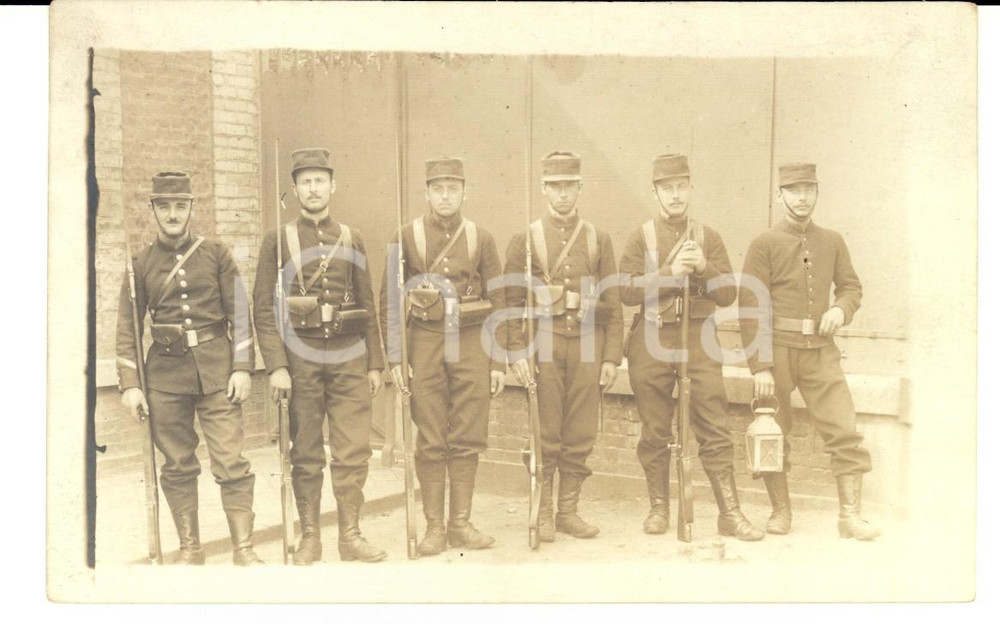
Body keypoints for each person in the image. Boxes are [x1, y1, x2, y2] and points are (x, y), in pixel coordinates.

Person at [116, 172, 263, 565]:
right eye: (164, 206)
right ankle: (190, 548)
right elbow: (127, 326)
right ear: (153, 210)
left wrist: (242, 367)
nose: (173, 214)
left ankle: (243, 549)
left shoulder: (215, 253)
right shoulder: (140, 264)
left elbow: (240, 313)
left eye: (180, 206)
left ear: (192, 208)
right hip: (164, 380)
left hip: (218, 375)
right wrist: (131, 384)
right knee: (178, 464)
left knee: (231, 461)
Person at [619, 154, 764, 541]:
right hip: (652, 338)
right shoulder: (641, 237)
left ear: (691, 189)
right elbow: (625, 291)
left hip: (699, 339)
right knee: (655, 428)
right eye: (667, 188)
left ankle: (729, 513)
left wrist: (703, 268)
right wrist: (670, 273)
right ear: (655, 192)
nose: (675, 195)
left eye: (681, 187)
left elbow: (728, 294)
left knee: (714, 425)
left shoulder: (708, 238)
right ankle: (659, 507)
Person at [253, 148, 387, 564]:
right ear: (295, 189)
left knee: (353, 450)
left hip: (349, 356)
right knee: (306, 451)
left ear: (333, 186)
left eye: (320, 181)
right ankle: (310, 536)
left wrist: (375, 362)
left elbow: (367, 300)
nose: (313, 189)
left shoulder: (351, 237)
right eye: (305, 182)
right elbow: (262, 308)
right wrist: (276, 365)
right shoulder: (277, 240)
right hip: (300, 360)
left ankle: (350, 535)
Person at [738, 162, 879, 540]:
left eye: (809, 190)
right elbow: (750, 304)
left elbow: (851, 287)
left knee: (844, 429)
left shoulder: (832, 241)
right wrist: (760, 366)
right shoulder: (764, 244)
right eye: (794, 190)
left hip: (820, 350)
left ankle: (850, 516)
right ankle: (780, 510)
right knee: (772, 431)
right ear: (780, 194)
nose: (802, 198)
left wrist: (840, 310)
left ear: (816, 193)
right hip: (776, 352)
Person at [380, 157, 506, 557]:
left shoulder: (481, 238)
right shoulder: (406, 236)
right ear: (427, 193)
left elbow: (500, 300)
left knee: (467, 433)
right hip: (426, 341)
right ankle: (435, 527)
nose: (445, 196)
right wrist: (396, 358)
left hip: (471, 341)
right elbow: (390, 301)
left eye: (453, 188)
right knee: (431, 435)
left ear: (465, 192)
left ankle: (460, 524)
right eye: (438, 189)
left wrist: (498, 361)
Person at [504, 151, 623, 542]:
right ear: (543, 188)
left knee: (581, 431)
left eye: (569, 186)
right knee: (546, 430)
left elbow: (613, 303)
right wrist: (516, 353)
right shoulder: (525, 239)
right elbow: (510, 302)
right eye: (555, 186)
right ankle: (542, 511)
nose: (562, 194)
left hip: (588, 345)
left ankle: (568, 511)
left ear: (580, 187)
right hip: (544, 343)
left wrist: (611, 357)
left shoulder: (598, 239)